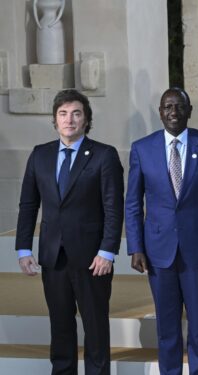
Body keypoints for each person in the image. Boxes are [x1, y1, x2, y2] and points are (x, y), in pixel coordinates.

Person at [15, 89, 124, 374]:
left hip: (93, 261)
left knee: (96, 329)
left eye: (76, 113)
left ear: (86, 119)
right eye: (63, 114)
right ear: (55, 120)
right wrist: (23, 248)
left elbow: (113, 208)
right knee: (61, 328)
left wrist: (107, 251)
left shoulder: (104, 155)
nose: (69, 119)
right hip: (54, 258)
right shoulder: (40, 155)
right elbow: (28, 205)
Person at [125, 87, 198, 374]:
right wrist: (135, 247)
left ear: (189, 111)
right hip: (158, 251)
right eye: (167, 107)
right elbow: (132, 203)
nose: (173, 113)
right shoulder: (142, 149)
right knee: (166, 327)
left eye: (179, 107)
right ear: (160, 112)